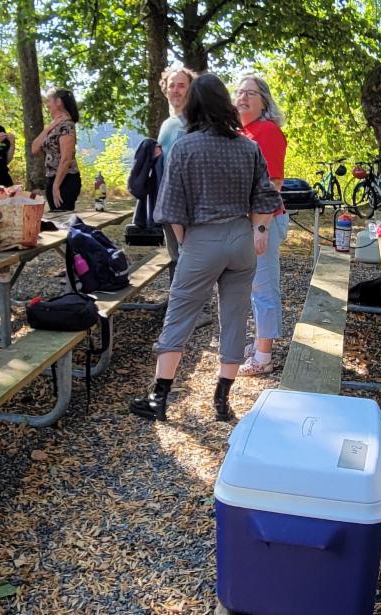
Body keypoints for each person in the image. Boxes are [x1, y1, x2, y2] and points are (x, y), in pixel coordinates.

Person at [129, 73, 280, 422]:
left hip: (202, 238)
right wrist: (257, 229)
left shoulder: (185, 146)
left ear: (194, 107)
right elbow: (266, 197)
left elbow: (169, 207)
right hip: (241, 239)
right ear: (225, 104)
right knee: (235, 318)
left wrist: (186, 242)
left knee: (179, 317)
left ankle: (159, 398)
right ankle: (222, 402)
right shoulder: (248, 146)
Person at [234, 74, 289, 377]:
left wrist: (261, 228)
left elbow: (274, 184)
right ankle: (256, 344)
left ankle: (264, 356)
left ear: (264, 101)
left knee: (264, 288)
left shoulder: (266, 131)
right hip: (246, 221)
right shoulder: (243, 131)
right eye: (239, 92)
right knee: (250, 288)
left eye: (250, 94)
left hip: (263, 221)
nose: (242, 97)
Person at [155, 66, 197, 262]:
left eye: (181, 85)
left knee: (193, 261)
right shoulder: (167, 124)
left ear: (191, 89)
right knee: (175, 260)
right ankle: (176, 294)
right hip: (169, 205)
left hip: (192, 208)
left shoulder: (196, 122)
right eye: (172, 85)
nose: (176, 90)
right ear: (165, 90)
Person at [31, 87, 80, 211]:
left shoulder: (67, 125)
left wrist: (56, 186)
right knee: (56, 220)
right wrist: (50, 127)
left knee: (62, 221)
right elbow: (34, 148)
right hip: (53, 178)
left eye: (49, 101)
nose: (47, 105)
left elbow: (66, 159)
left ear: (58, 102)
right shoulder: (55, 126)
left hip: (66, 180)